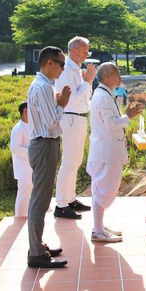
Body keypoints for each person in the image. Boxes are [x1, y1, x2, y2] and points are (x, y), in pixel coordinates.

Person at [26, 46, 72, 269]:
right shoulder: (43, 87)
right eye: (61, 64)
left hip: (46, 144)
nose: (63, 69)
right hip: (44, 144)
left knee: (41, 199)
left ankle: (37, 245)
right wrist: (62, 105)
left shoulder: (45, 85)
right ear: (49, 63)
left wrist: (59, 101)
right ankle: (36, 253)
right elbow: (50, 123)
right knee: (40, 200)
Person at [88, 63, 143, 243]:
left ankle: (99, 226)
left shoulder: (103, 94)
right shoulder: (103, 97)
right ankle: (97, 230)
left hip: (105, 151)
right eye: (117, 73)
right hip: (106, 152)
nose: (120, 76)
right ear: (107, 77)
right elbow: (111, 124)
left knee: (102, 189)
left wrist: (126, 116)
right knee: (104, 190)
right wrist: (128, 116)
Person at [54, 36, 96, 220]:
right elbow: (73, 98)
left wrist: (87, 82)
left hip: (79, 118)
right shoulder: (66, 70)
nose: (87, 53)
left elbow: (86, 96)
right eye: (84, 50)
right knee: (69, 162)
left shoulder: (77, 70)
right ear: (73, 50)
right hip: (71, 118)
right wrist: (88, 81)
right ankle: (61, 204)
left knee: (76, 161)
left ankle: (70, 199)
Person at [10, 101, 31, 217]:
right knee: (23, 193)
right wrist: (32, 151)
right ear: (25, 111)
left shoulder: (31, 126)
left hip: (31, 166)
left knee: (31, 193)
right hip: (23, 168)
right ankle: (20, 217)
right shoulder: (18, 128)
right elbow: (14, 148)